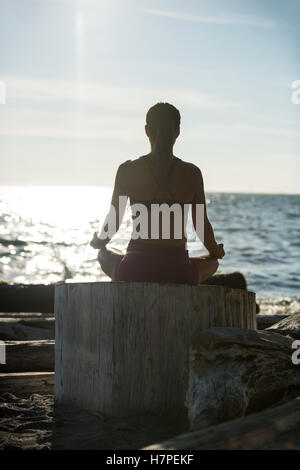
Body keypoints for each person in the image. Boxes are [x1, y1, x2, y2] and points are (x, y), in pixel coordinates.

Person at [90, 102, 225, 284]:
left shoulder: (127, 170)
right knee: (212, 263)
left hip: (135, 270)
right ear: (177, 132)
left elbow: (114, 220)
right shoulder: (192, 174)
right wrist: (216, 250)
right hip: (178, 273)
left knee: (103, 255)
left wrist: (99, 242)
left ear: (147, 131)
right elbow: (201, 226)